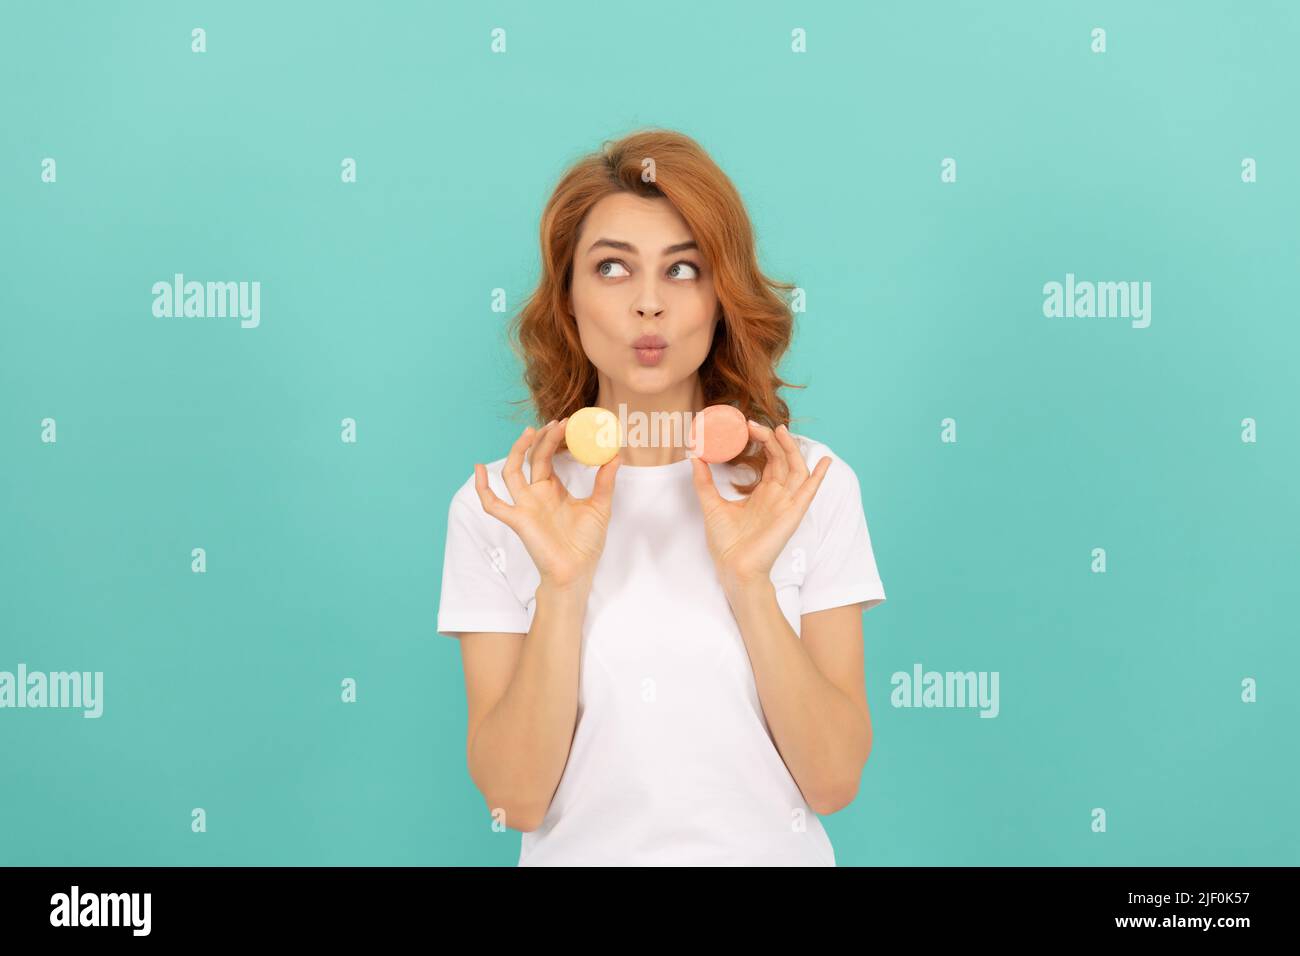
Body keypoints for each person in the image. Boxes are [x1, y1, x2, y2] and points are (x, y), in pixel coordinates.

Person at [436, 129, 886, 866]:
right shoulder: (503, 504)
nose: (649, 304)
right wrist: (562, 585)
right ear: (569, 300)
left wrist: (749, 584)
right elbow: (514, 800)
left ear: (720, 298)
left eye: (684, 269)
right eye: (612, 267)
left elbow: (833, 781)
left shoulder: (805, 485)